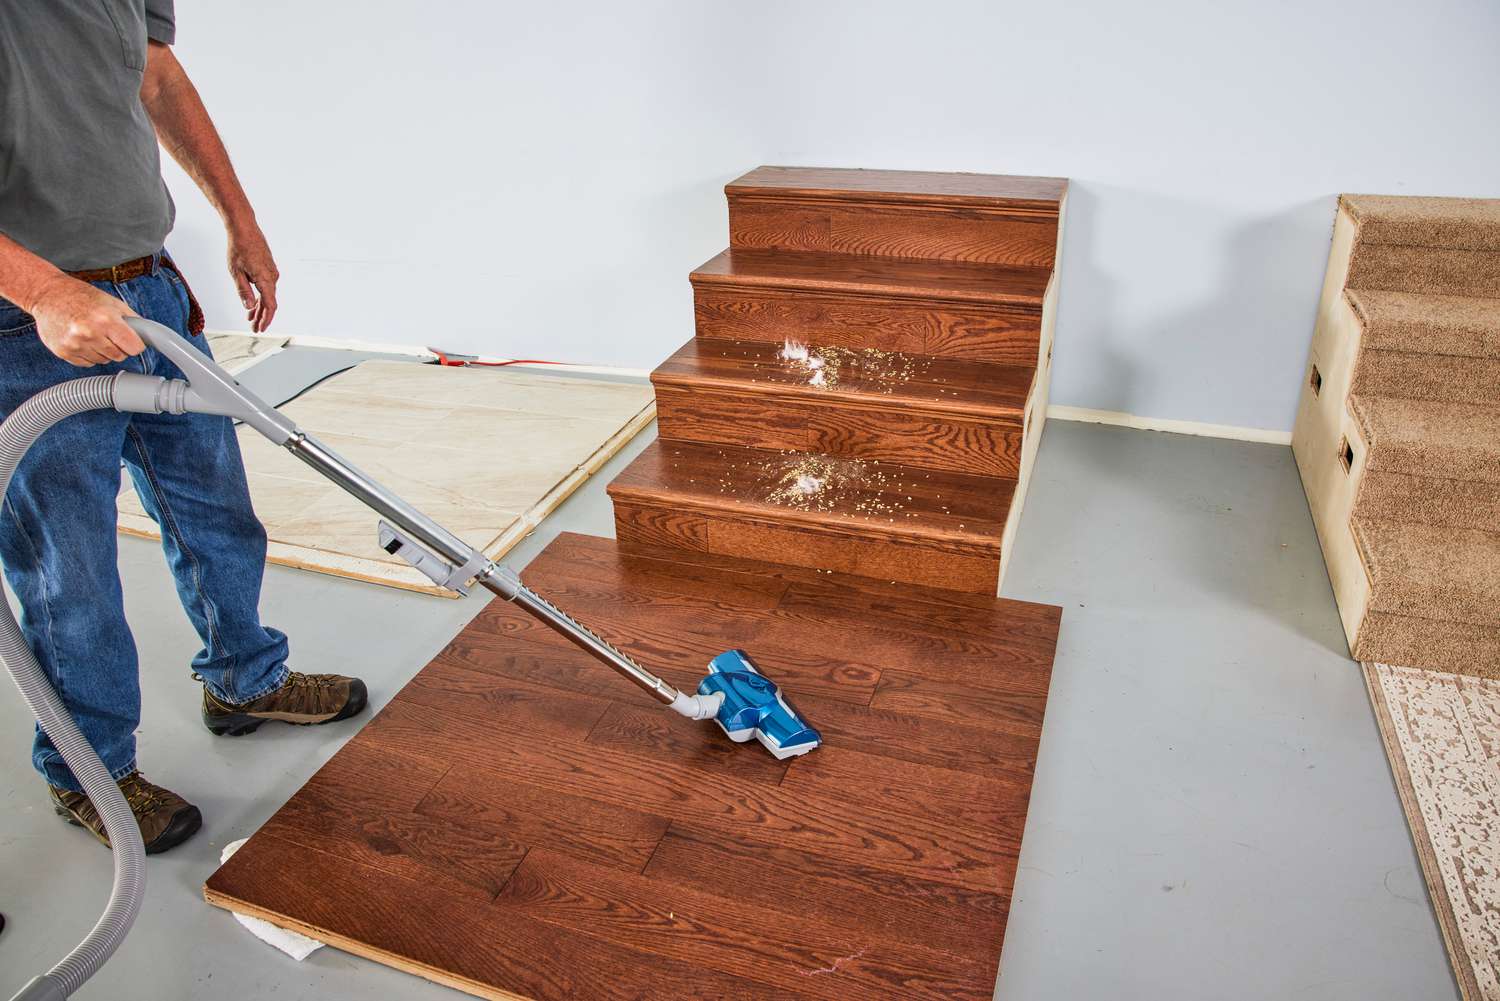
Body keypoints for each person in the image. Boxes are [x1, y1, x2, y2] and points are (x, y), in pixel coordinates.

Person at [0, 1, 367, 855]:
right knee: (70, 567)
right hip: (26, 322)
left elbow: (155, 72)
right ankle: (91, 768)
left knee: (216, 511)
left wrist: (240, 217)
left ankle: (246, 679)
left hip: (149, 287)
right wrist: (44, 292)